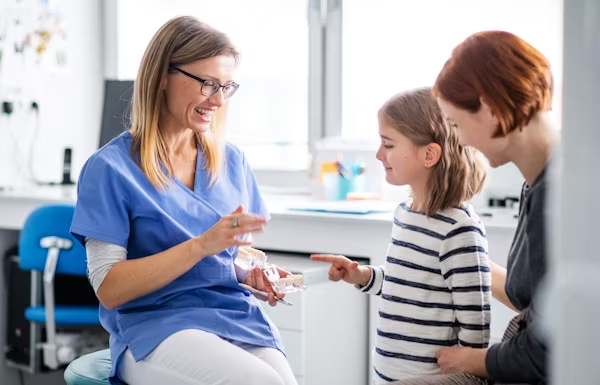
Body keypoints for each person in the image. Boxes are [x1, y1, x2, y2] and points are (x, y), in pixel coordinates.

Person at [70, 16, 297, 385]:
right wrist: (202, 245)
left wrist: (253, 275)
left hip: (231, 315)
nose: (219, 100)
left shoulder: (231, 161)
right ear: (162, 76)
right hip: (155, 325)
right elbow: (109, 288)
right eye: (208, 84)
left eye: (227, 87)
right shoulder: (109, 169)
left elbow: (239, 255)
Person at [311, 87, 491, 384]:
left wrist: (466, 372)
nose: (379, 154)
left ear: (429, 154)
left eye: (389, 144)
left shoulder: (458, 229)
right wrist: (362, 276)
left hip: (432, 378)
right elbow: (405, 285)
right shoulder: (405, 214)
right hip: (391, 374)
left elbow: (477, 319)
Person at [432, 30, 558, 385]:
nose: (459, 140)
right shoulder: (539, 182)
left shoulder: (559, 197)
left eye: (455, 124)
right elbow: (535, 293)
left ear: (488, 108)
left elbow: (547, 354)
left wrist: (472, 359)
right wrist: (464, 259)